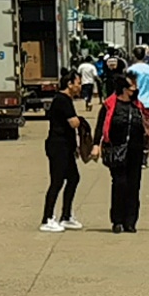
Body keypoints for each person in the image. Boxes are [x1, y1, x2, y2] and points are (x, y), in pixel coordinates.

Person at [99, 63, 149, 231]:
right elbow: (100, 127)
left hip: (135, 152)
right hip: (116, 151)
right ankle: (117, 221)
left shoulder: (138, 107)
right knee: (119, 184)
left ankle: (131, 222)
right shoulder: (109, 106)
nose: (135, 88)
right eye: (132, 86)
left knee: (134, 186)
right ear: (124, 89)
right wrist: (95, 146)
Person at [39, 72, 88, 231]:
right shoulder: (62, 100)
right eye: (78, 83)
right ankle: (47, 218)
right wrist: (82, 121)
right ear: (69, 84)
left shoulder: (67, 100)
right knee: (57, 181)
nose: (79, 86)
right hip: (57, 146)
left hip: (66, 147)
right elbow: (73, 123)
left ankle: (66, 216)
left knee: (73, 178)